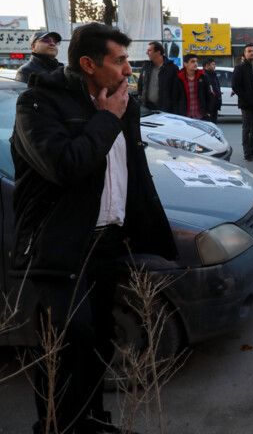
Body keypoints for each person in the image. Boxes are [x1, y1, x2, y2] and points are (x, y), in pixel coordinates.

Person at [12, 22, 177, 434]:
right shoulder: (39, 102)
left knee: (101, 340)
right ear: (88, 64)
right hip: (61, 243)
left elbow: (129, 170)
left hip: (107, 243)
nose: (128, 70)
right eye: (119, 60)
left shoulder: (124, 104)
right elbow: (65, 166)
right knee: (68, 345)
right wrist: (107, 119)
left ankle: (92, 421)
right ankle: (57, 426)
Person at [232, 43, 253, 160]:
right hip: (247, 104)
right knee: (247, 128)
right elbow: (235, 86)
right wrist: (247, 98)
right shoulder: (240, 68)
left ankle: (252, 150)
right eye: (249, 51)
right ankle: (247, 152)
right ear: (245, 54)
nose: (252, 53)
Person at [137, 41, 179, 112]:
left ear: (158, 52)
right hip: (147, 108)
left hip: (165, 110)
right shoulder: (146, 67)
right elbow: (140, 85)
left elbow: (176, 91)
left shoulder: (172, 68)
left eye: (149, 50)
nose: (147, 53)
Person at [173, 53, 213, 120]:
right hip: (184, 117)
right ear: (185, 64)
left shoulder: (203, 77)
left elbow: (209, 95)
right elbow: (174, 98)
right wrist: (177, 113)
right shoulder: (179, 78)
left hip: (201, 116)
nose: (195, 64)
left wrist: (209, 112)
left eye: (196, 61)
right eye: (192, 61)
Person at [203, 57, 222, 122]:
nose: (215, 66)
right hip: (208, 106)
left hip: (214, 104)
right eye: (213, 64)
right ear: (207, 66)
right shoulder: (204, 76)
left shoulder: (213, 74)